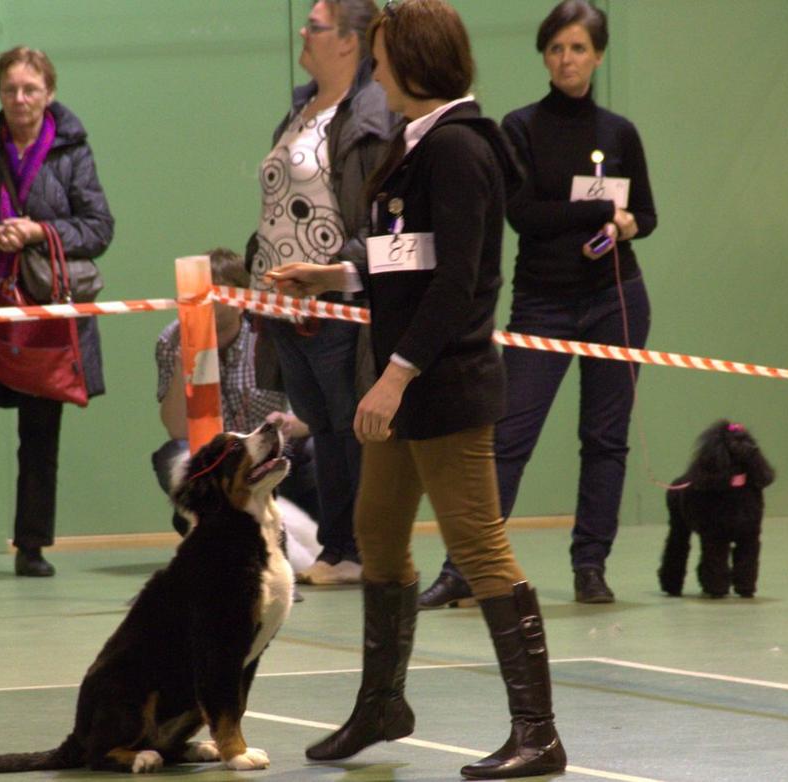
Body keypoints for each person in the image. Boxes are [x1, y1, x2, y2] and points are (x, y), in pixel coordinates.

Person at [267, 1, 566, 777]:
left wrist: (394, 377)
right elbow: (408, 254)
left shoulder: (462, 150)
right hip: (408, 388)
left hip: (446, 385)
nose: (376, 69)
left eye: (385, 57)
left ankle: (538, 733)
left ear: (416, 64)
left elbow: (459, 284)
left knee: (479, 547)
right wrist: (334, 273)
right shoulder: (415, 142)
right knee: (377, 532)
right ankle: (383, 704)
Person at [421, 0, 657, 608]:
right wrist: (600, 210)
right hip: (543, 305)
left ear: (598, 55)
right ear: (544, 57)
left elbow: (647, 216)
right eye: (556, 48)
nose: (567, 59)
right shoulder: (518, 128)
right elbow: (523, 214)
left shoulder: (620, 132)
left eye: (578, 48)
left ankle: (590, 565)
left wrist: (624, 226)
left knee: (605, 441)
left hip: (615, 299)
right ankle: (464, 566)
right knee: (506, 439)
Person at [0, 46, 114, 577]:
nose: (20, 99)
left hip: (44, 319)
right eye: (10, 89)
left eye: (31, 89)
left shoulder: (73, 153)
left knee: (39, 437)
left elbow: (99, 227)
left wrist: (39, 231)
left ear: (49, 92)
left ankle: (31, 547)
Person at [246, 0, 395, 586]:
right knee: (320, 424)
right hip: (286, 304)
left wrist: (338, 270)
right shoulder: (299, 108)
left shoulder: (372, 115)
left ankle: (351, 548)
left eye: (316, 25)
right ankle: (341, 547)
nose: (303, 32)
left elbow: (379, 217)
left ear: (348, 42)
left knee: (342, 428)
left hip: (336, 300)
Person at [151, 248, 319, 536]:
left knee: (318, 448)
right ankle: (209, 524)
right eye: (194, 294)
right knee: (172, 456)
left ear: (240, 298)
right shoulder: (171, 339)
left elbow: (317, 412)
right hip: (221, 460)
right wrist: (186, 359)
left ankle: (310, 521)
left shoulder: (269, 335)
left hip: (272, 448)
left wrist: (291, 424)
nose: (202, 302)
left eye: (212, 293)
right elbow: (178, 429)